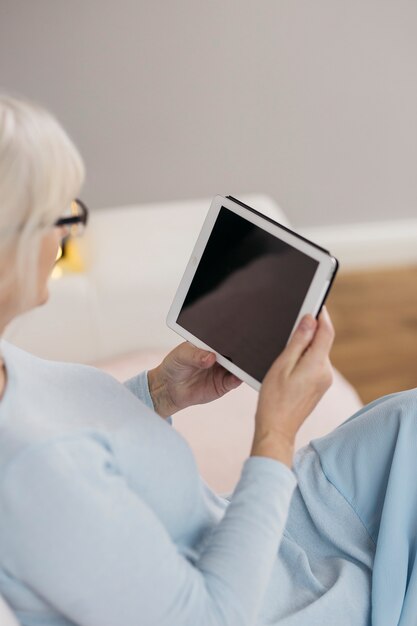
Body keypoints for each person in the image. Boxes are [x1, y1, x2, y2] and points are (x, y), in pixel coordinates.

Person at [0, 94, 415, 626]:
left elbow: (77, 440)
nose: (66, 236)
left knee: (409, 421)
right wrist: (276, 434)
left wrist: (159, 391)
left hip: (241, 526)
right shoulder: (32, 478)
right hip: (265, 596)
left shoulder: (7, 363)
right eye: (61, 217)